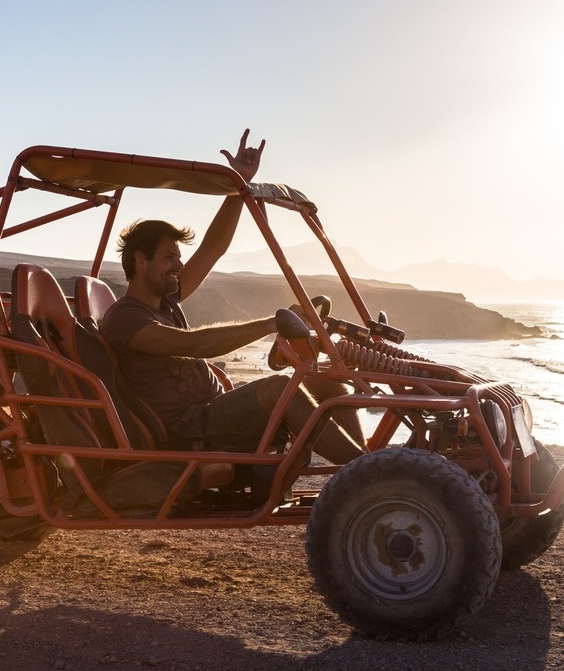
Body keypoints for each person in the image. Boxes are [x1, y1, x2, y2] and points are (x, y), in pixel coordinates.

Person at [99, 130, 366, 464]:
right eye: (170, 258)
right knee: (278, 388)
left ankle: (363, 466)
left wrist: (238, 186)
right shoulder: (125, 318)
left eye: (179, 259)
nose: (179, 266)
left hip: (212, 411)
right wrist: (272, 323)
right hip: (186, 429)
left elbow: (212, 250)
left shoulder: (166, 301)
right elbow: (195, 345)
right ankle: (371, 473)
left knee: (326, 385)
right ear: (140, 261)